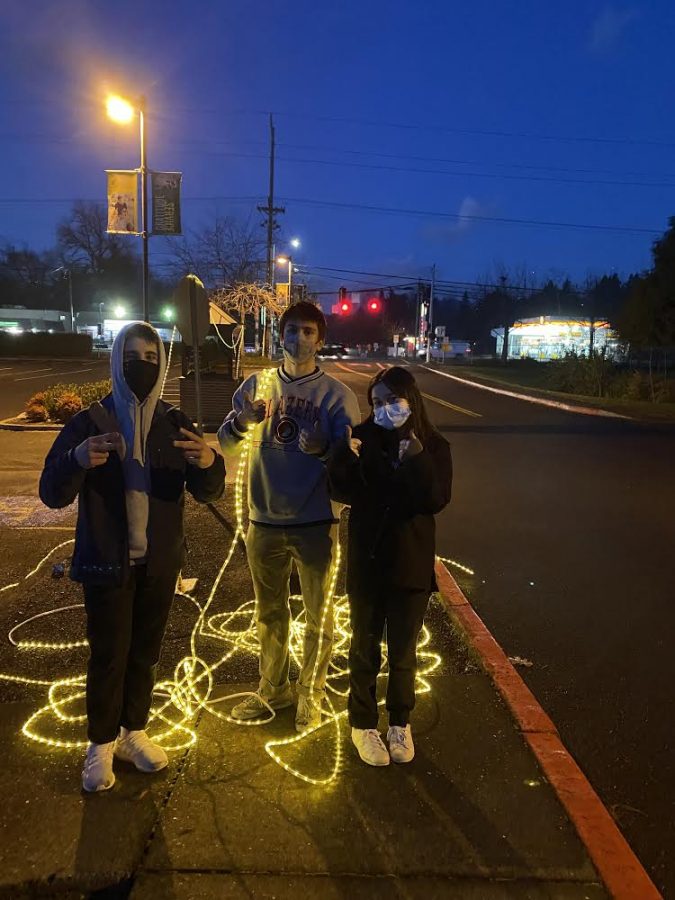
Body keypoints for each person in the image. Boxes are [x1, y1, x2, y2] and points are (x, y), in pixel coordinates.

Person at [39, 322, 225, 792]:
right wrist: (78, 458)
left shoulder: (173, 422)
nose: (141, 365)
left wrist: (208, 462)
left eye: (150, 356)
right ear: (116, 360)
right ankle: (99, 743)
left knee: (145, 654)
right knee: (108, 655)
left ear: (162, 364)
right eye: (132, 355)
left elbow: (209, 490)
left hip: (159, 564)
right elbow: (51, 493)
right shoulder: (90, 421)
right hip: (106, 561)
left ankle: (132, 732)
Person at [218, 301, 360, 732]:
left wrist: (324, 450)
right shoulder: (255, 386)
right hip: (263, 521)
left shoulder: (337, 396)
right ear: (281, 335)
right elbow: (226, 445)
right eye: (292, 330)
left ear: (321, 339)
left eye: (308, 332)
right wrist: (242, 422)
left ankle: (309, 694)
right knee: (269, 614)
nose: (299, 339)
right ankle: (272, 688)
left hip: (317, 521)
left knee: (320, 615)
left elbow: (352, 465)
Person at [327, 366, 452, 766]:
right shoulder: (362, 439)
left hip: (411, 565)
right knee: (363, 650)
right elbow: (341, 489)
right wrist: (344, 456)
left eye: (392, 400)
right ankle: (362, 724)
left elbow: (434, 499)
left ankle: (400, 722)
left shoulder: (434, 446)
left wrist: (415, 458)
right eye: (377, 402)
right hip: (368, 562)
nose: (385, 409)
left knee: (403, 653)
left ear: (410, 399)